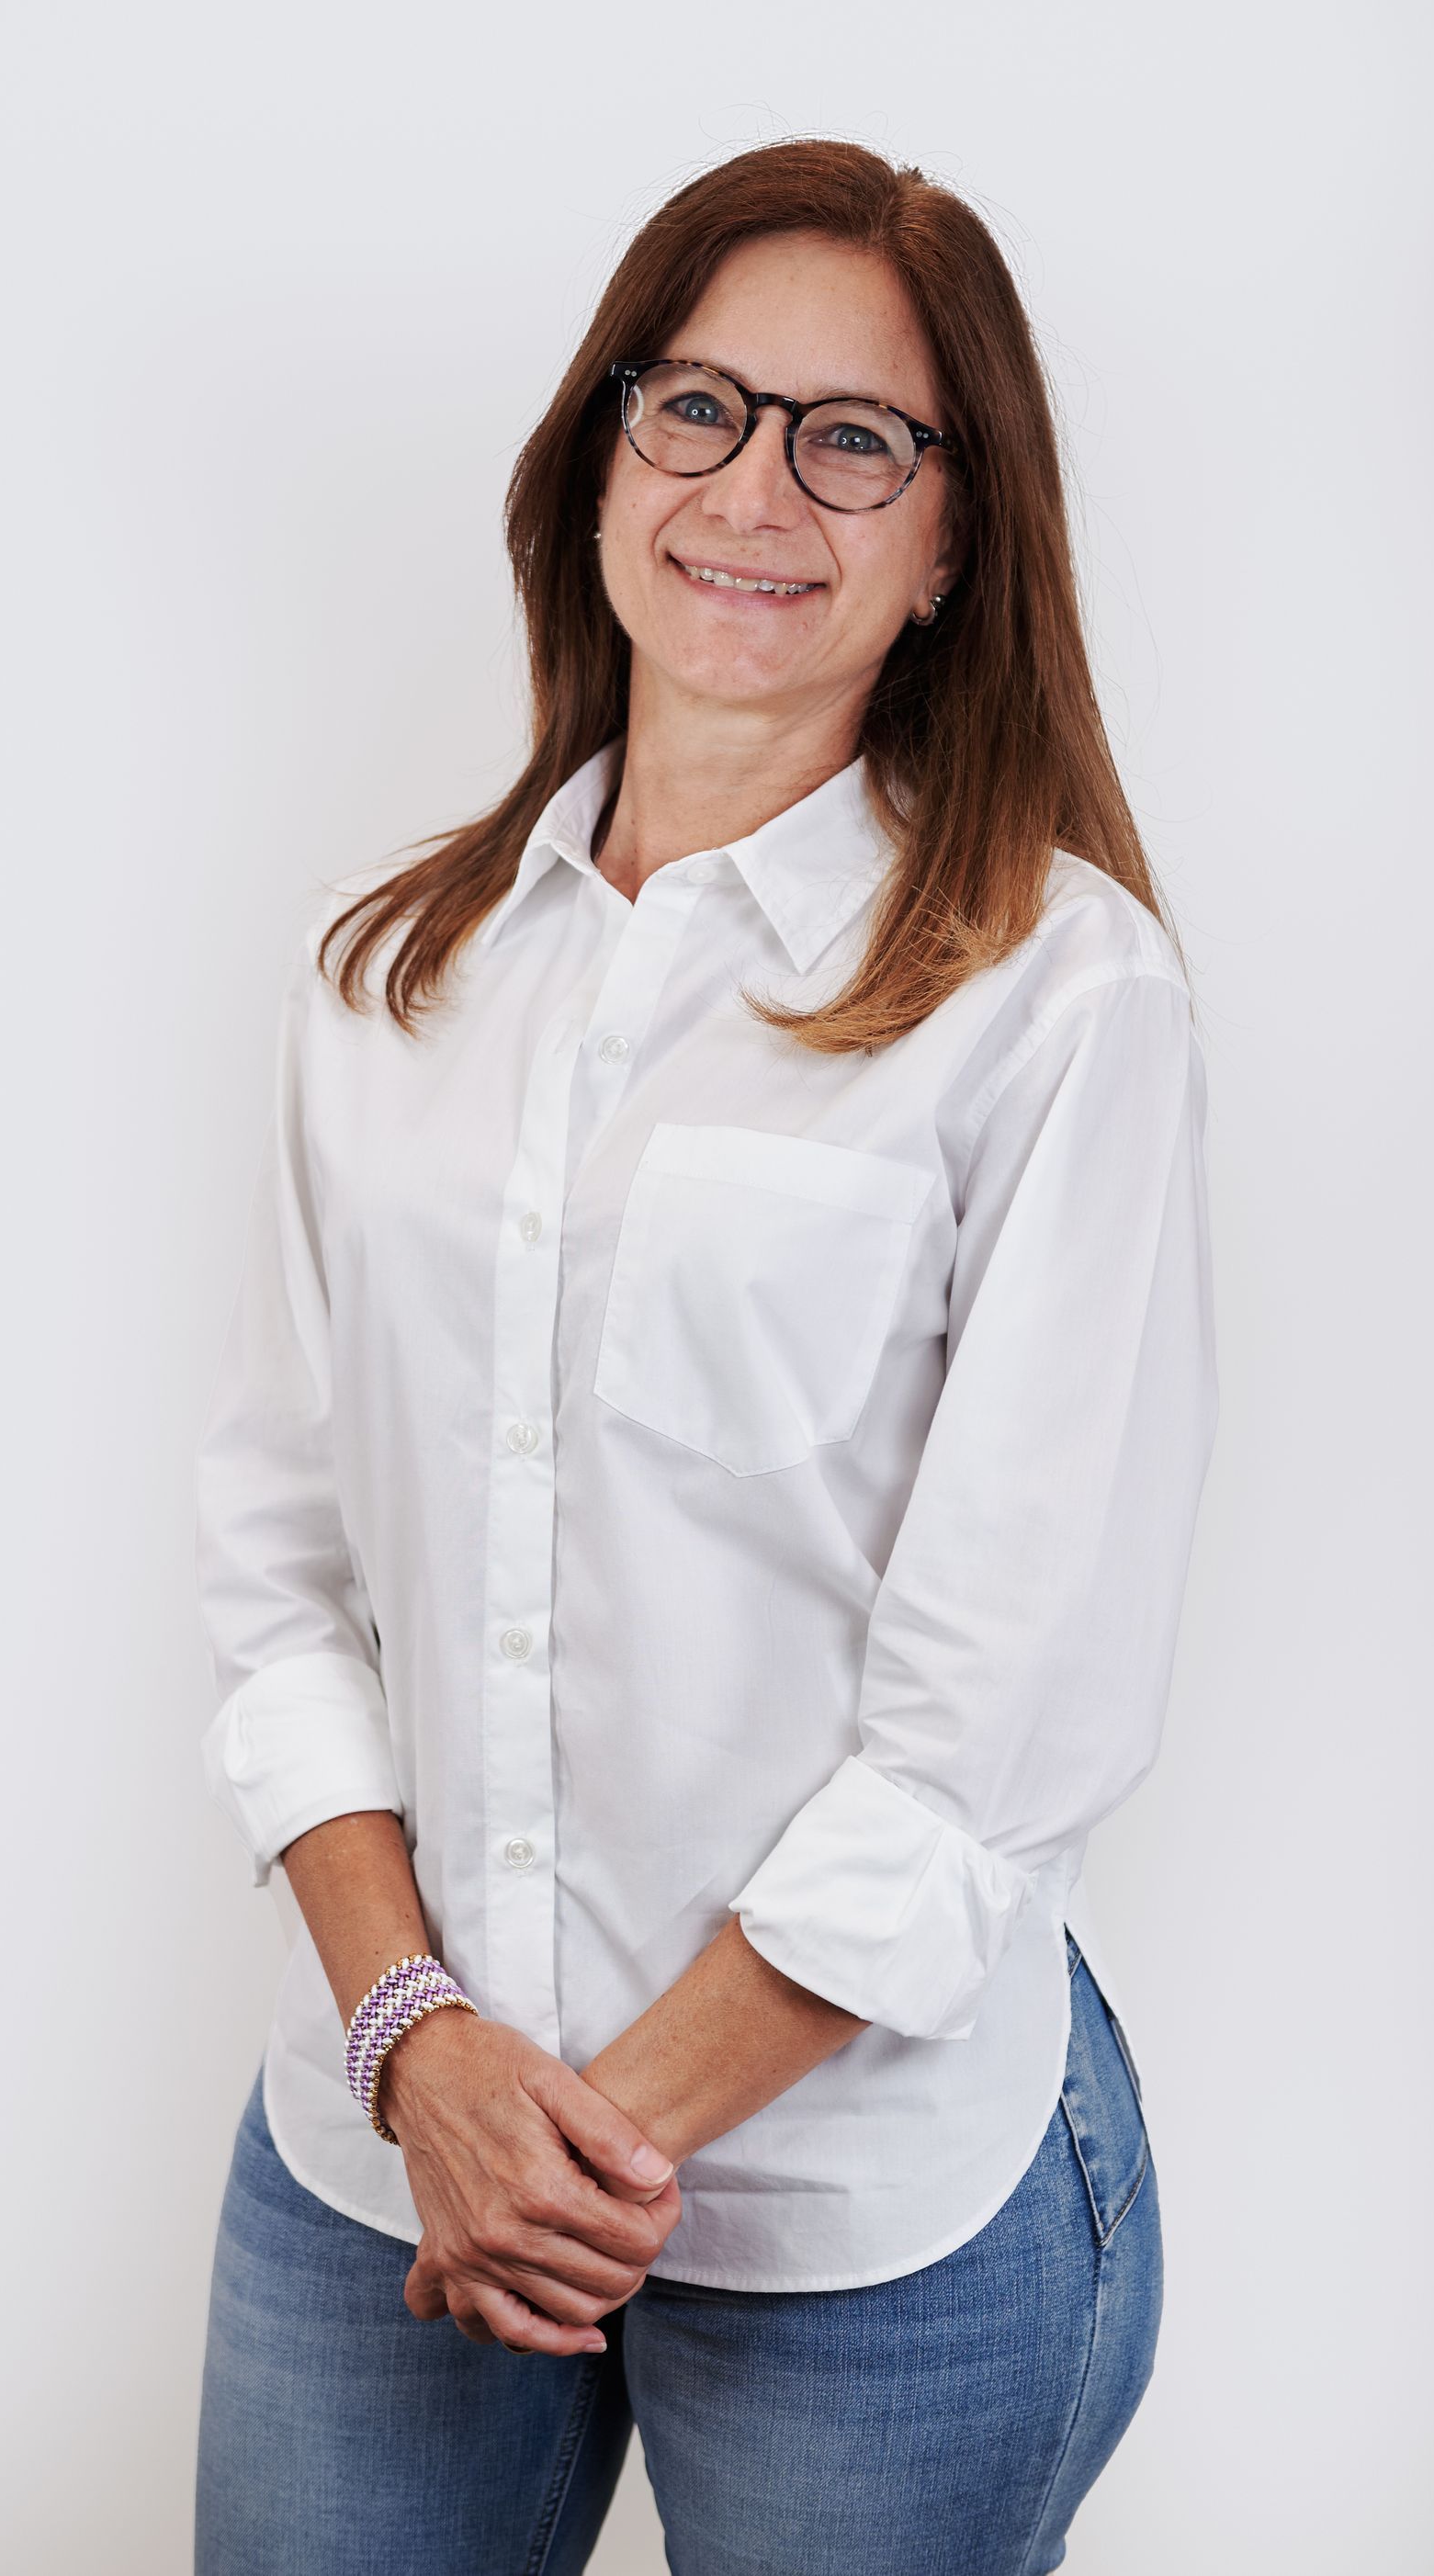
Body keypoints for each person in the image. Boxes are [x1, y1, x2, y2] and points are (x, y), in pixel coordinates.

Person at [190, 138, 1218, 2576]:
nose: (759, 486)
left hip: (877, 2212)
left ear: (957, 535)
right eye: (700, 407)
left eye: (857, 435)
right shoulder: (389, 979)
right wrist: (421, 2053)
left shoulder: (1064, 1000)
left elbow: (999, 1725)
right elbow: (277, 1575)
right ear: (602, 451)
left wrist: (587, 2140)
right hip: (383, 2149)